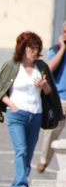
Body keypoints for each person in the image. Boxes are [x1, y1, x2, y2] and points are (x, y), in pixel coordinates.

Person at [0, 31, 61, 187]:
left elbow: (49, 93)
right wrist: (12, 106)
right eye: (31, 47)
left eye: (37, 47)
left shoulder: (41, 67)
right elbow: (1, 92)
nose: (34, 51)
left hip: (36, 115)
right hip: (17, 115)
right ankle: (22, 186)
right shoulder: (11, 66)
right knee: (21, 150)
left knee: (29, 154)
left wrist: (45, 86)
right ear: (23, 48)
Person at [36, 21, 66, 172]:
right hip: (60, 98)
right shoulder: (56, 49)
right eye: (64, 32)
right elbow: (48, 68)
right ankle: (44, 160)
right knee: (51, 131)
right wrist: (62, 49)